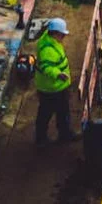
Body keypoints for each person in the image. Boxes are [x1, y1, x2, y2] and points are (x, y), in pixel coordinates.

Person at [34, 17, 74, 145]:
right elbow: (47, 67)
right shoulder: (47, 49)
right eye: (62, 35)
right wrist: (58, 74)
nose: (63, 38)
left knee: (62, 112)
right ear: (55, 33)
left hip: (57, 87)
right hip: (51, 89)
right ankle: (42, 139)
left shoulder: (50, 40)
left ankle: (64, 134)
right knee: (46, 114)